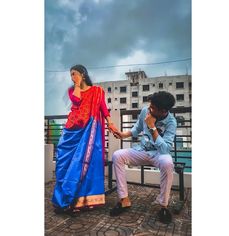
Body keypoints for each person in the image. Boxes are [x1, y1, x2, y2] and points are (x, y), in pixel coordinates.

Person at [52, 64, 118, 214]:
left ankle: (78, 201)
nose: (72, 77)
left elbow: (103, 108)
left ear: (83, 74)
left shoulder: (97, 91)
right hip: (71, 131)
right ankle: (63, 198)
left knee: (83, 164)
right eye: (70, 75)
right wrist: (76, 84)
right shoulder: (71, 90)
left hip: (89, 131)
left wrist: (111, 124)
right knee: (64, 164)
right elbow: (76, 100)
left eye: (74, 74)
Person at [110, 91, 177, 224]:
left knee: (168, 163)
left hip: (159, 154)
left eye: (153, 108)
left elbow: (165, 149)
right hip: (142, 150)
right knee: (118, 155)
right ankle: (124, 200)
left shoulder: (171, 122)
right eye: (150, 106)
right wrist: (123, 134)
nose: (149, 109)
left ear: (163, 111)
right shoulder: (146, 111)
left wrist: (152, 127)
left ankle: (163, 206)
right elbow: (137, 128)